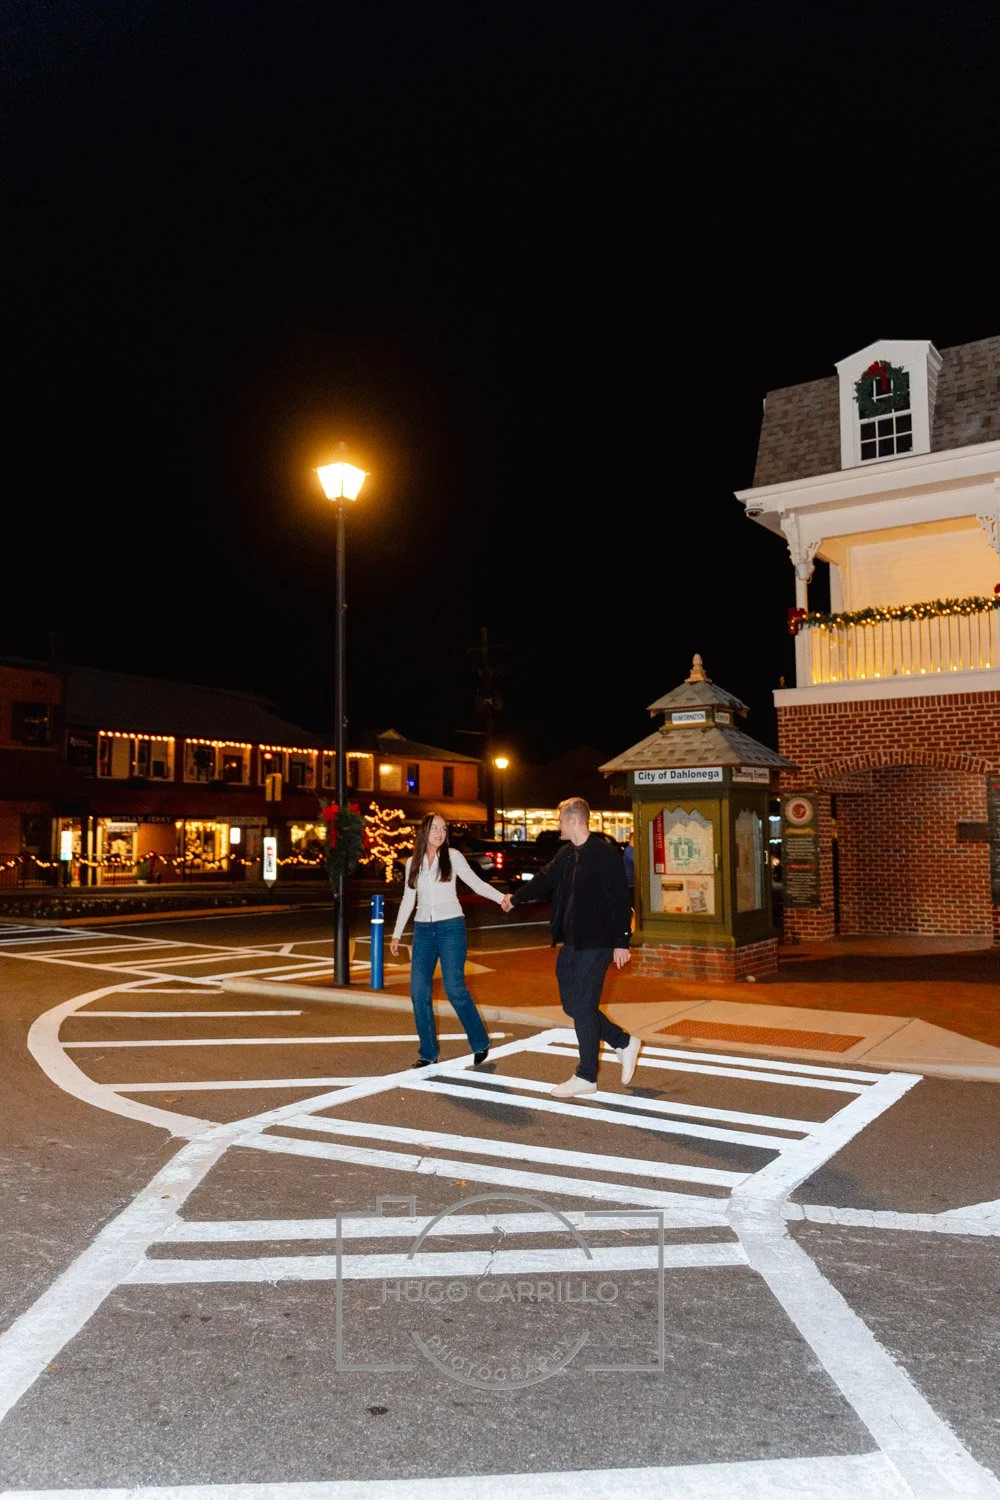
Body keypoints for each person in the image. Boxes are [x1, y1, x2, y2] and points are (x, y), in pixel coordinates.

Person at [501, 797, 641, 1097]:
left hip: (598, 943)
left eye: (561, 820)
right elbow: (543, 880)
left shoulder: (604, 854)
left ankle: (587, 1076)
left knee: (585, 1008)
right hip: (571, 943)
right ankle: (623, 1042)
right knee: (573, 1005)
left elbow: (620, 900)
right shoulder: (566, 854)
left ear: (575, 821)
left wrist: (621, 942)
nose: (558, 825)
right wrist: (515, 898)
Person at [390, 813, 504, 1068]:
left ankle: (479, 1041)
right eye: (435, 828)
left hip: (451, 927)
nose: (440, 833)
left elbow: (476, 883)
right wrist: (397, 934)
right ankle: (428, 1052)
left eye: (443, 829)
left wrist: (501, 898)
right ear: (424, 831)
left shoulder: (452, 857)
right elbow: (409, 899)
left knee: (454, 988)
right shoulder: (413, 863)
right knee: (418, 991)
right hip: (422, 931)